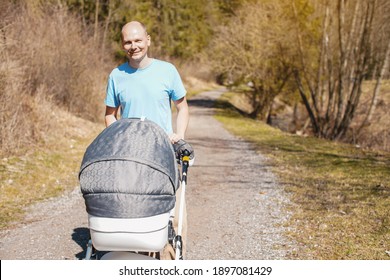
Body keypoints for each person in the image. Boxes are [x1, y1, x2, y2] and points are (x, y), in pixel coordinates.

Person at [104, 21, 189, 260]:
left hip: (163, 151)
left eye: (138, 40)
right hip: (130, 154)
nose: (134, 46)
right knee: (133, 206)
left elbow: (183, 108)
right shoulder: (116, 75)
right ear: (123, 45)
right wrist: (116, 138)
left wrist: (179, 135)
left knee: (171, 211)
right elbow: (110, 115)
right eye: (128, 42)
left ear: (148, 40)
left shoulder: (167, 71)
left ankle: (171, 256)